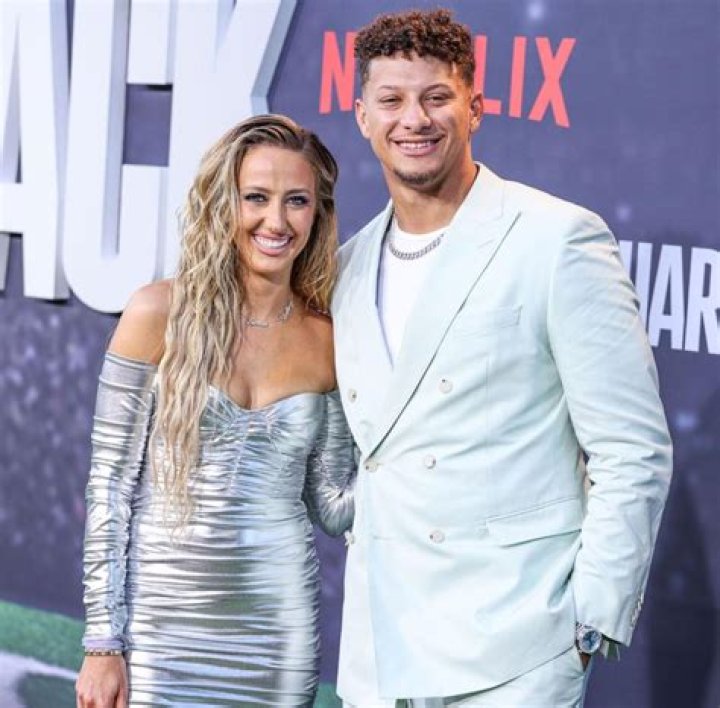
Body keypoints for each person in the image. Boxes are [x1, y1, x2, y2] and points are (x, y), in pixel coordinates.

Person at [331, 9, 672, 707]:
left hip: (516, 648)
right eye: (391, 100)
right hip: (380, 653)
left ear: (476, 108)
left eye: (436, 96)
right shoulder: (347, 266)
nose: (414, 120)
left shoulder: (556, 239)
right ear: (363, 116)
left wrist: (589, 622)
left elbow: (632, 447)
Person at [75, 114, 355, 708]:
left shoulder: (327, 340)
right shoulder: (157, 314)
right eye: (256, 197)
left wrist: (432, 446)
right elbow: (109, 486)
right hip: (158, 629)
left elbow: (334, 506)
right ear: (223, 202)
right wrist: (103, 642)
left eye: (297, 200)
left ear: (318, 213)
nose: (275, 221)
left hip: (276, 632)